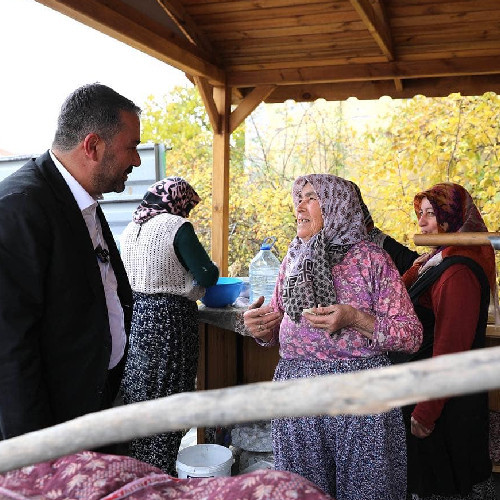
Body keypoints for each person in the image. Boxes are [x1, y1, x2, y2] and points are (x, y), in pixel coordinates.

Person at [243, 173, 423, 500]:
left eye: (311, 197)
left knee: (366, 492)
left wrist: (354, 317)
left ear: (337, 206)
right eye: (298, 197)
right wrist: (262, 329)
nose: (299, 204)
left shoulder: (373, 259)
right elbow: (278, 320)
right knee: (303, 492)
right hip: (297, 395)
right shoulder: (294, 257)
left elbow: (410, 335)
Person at [0, 83, 141, 439]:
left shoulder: (82, 199)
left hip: (95, 410)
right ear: (92, 146)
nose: (137, 161)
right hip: (52, 436)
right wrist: (35, 460)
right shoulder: (19, 209)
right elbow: (9, 349)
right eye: (132, 147)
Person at [368, 182, 496, 500]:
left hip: (445, 408)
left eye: (431, 214)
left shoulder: (458, 274)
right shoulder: (439, 259)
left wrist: (426, 413)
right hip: (435, 396)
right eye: (420, 213)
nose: (422, 222)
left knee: (442, 488)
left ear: (451, 218)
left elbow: (450, 350)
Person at [120, 177, 219, 474]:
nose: (186, 212)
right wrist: (207, 270)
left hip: (138, 320)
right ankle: (161, 475)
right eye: (187, 206)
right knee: (170, 396)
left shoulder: (131, 227)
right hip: (170, 324)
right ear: (179, 202)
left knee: (144, 395)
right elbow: (208, 276)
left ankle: (142, 476)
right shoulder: (175, 227)